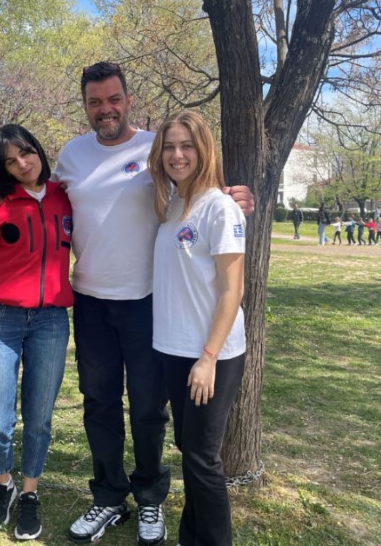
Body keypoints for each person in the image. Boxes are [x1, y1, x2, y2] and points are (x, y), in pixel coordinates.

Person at [55, 62, 254, 546]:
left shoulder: (156, 148)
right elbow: (38, 195)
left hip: (147, 305)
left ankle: (149, 499)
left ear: (128, 100)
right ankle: (108, 496)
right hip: (91, 302)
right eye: (95, 102)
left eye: (113, 99)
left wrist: (236, 196)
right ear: (86, 106)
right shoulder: (72, 155)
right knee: (99, 403)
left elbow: (201, 190)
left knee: (148, 409)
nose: (105, 109)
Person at [0, 124, 74, 541]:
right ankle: (3, 483)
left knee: (39, 417)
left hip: (51, 321)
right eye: (11, 161)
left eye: (27, 153)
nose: (23, 164)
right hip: (0, 321)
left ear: (38, 150)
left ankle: (29, 492)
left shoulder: (66, 196)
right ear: (2, 168)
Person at [148, 110, 246, 546]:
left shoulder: (220, 208)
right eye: (169, 146)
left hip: (211, 355)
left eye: (186, 146)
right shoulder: (171, 205)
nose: (177, 155)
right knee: (190, 452)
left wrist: (208, 358)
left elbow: (232, 290)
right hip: (174, 348)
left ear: (204, 150)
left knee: (203, 458)